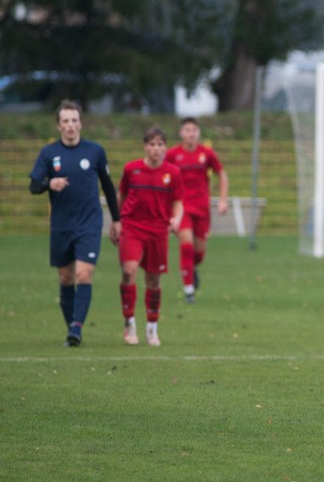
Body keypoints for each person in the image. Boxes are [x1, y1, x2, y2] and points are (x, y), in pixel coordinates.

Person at [29, 100, 121, 347]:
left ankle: (77, 328)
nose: (70, 125)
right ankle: (73, 329)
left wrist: (117, 220)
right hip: (61, 225)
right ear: (59, 126)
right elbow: (33, 185)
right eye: (65, 121)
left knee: (84, 274)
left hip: (89, 223)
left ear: (81, 123)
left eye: (74, 120)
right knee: (66, 278)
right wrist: (50, 183)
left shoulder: (95, 151)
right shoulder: (48, 154)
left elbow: (109, 188)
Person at [117, 127, 184, 346]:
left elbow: (178, 202)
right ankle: (129, 323)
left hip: (158, 230)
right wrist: (116, 222)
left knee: (153, 280)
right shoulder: (131, 169)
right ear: (145, 146)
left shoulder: (173, 173)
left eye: (160, 144)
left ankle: (152, 328)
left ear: (165, 147)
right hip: (132, 226)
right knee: (129, 271)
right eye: (152, 144)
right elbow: (122, 195)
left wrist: (176, 219)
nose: (156, 149)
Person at [165, 117, 229, 303]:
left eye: (194, 130)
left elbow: (222, 175)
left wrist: (223, 200)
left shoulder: (206, 154)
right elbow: (162, 175)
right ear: (181, 133)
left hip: (202, 208)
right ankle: (189, 291)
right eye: (187, 130)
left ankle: (192, 269)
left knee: (199, 252)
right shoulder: (172, 154)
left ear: (198, 133)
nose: (191, 134)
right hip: (180, 208)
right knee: (186, 244)